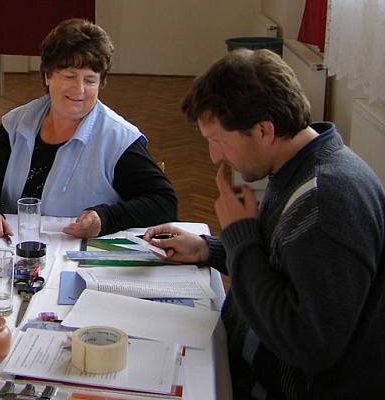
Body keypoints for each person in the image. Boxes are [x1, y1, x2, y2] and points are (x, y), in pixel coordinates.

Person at [144, 49, 385, 399]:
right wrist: (207, 248)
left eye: (218, 141)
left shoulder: (326, 201)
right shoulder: (298, 168)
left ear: (264, 130)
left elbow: (308, 344)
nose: (214, 156)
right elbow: (282, 263)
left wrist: (240, 235)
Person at [0, 18, 177, 239]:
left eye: (91, 80)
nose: (79, 89)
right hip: (16, 248)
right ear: (47, 75)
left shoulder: (118, 138)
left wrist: (105, 218)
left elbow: (164, 203)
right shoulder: (16, 124)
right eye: (69, 76)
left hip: (80, 258)